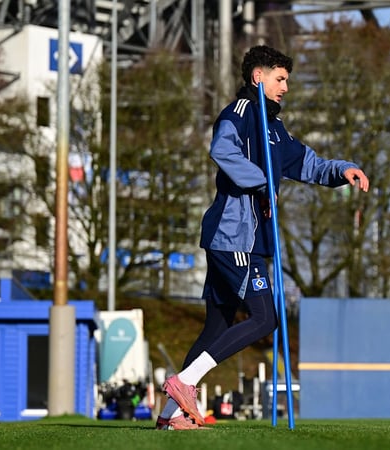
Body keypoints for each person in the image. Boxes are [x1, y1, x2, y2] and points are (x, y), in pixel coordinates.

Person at [155, 45, 369, 430]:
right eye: (280, 79)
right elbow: (222, 150)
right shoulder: (240, 113)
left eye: (287, 80)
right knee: (265, 318)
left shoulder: (276, 129)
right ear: (258, 76)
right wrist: (262, 182)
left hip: (250, 239)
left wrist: (344, 170)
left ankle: (170, 417)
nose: (286, 87)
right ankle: (185, 383)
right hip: (234, 236)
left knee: (216, 328)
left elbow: (309, 164)